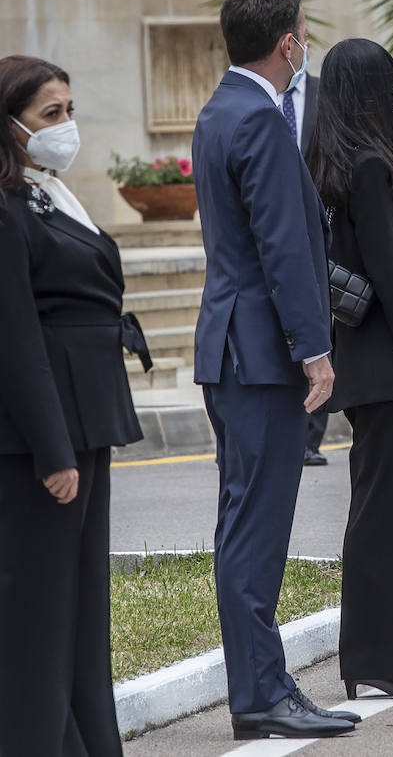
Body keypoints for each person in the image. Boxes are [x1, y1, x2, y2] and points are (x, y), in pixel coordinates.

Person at [192, 0, 357, 739]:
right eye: (302, 36)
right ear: (288, 44)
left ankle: (263, 684)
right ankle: (261, 692)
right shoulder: (258, 118)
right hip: (259, 352)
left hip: (233, 344)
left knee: (244, 522)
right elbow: (284, 246)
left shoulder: (219, 110)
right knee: (257, 527)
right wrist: (314, 349)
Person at [0, 55, 147, 757]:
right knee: (42, 615)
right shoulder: (6, 207)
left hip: (88, 420)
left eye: (68, 110)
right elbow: (15, 337)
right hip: (43, 439)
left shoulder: (48, 193)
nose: (66, 126)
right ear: (10, 126)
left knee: (84, 611)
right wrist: (52, 451)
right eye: (49, 115)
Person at [306, 39, 393, 702]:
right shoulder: (368, 164)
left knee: (377, 511)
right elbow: (392, 273)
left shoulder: (333, 158)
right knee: (388, 516)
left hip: (365, 358)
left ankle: (375, 658)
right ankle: (385, 662)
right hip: (388, 360)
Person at [282, 67, 330, 467]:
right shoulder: (257, 98)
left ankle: (312, 437)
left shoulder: (321, 93)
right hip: (276, 216)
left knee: (319, 322)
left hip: (317, 219)